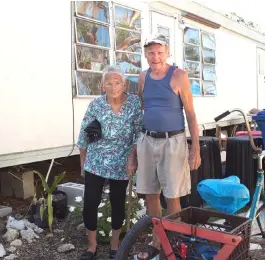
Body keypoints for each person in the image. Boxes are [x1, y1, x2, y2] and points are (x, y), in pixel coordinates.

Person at [136, 34, 202, 258]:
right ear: (145, 54)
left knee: (172, 195)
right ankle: (157, 239)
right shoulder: (143, 77)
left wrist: (195, 149)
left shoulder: (179, 76)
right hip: (147, 140)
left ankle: (173, 242)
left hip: (172, 142)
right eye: (151, 53)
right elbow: (144, 106)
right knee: (150, 194)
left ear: (168, 52)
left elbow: (191, 115)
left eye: (160, 52)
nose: (155, 57)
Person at [76, 65, 142, 260]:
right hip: (96, 161)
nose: (113, 87)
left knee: (118, 203)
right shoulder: (96, 104)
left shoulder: (134, 104)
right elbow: (83, 134)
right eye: (109, 83)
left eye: (117, 83)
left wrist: (133, 156)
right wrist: (83, 163)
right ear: (102, 86)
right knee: (90, 203)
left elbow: (139, 132)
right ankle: (92, 246)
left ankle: (115, 245)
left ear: (124, 84)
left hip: (122, 161)